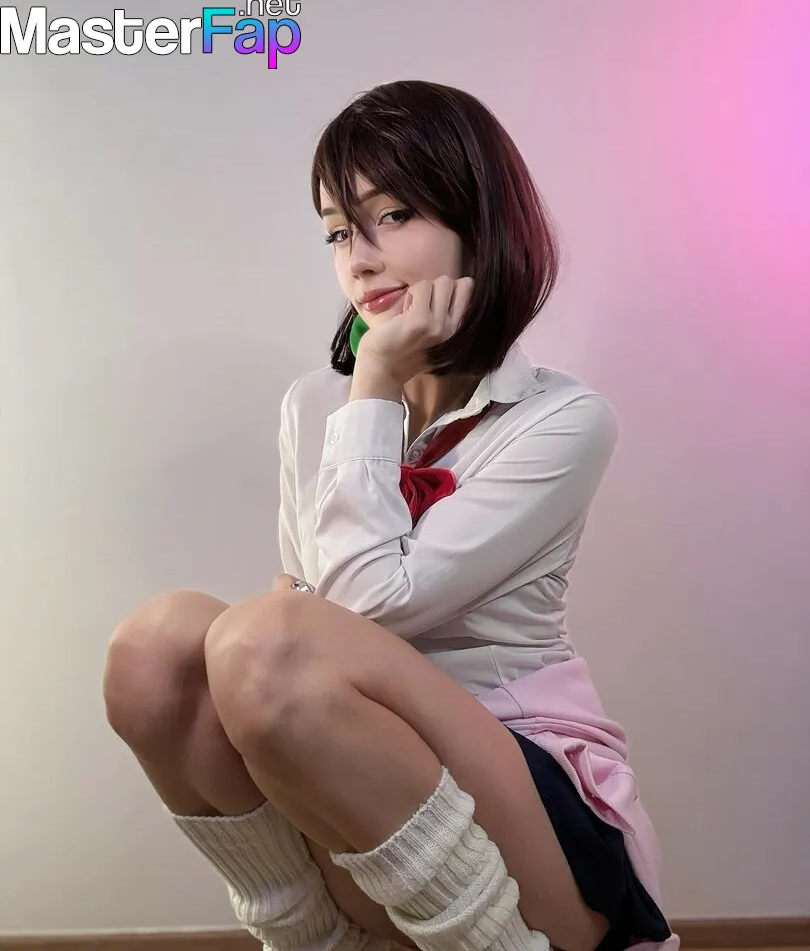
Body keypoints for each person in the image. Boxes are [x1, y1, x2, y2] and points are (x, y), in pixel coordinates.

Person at [103, 80, 676, 951]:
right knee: (158, 646)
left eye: (395, 215)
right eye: (339, 231)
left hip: (524, 792)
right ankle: (307, 939)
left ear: (479, 223)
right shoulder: (312, 404)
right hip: (347, 769)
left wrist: (371, 381)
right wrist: (357, 402)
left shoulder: (562, 419)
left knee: (270, 641)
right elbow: (319, 612)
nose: (360, 260)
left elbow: (349, 611)